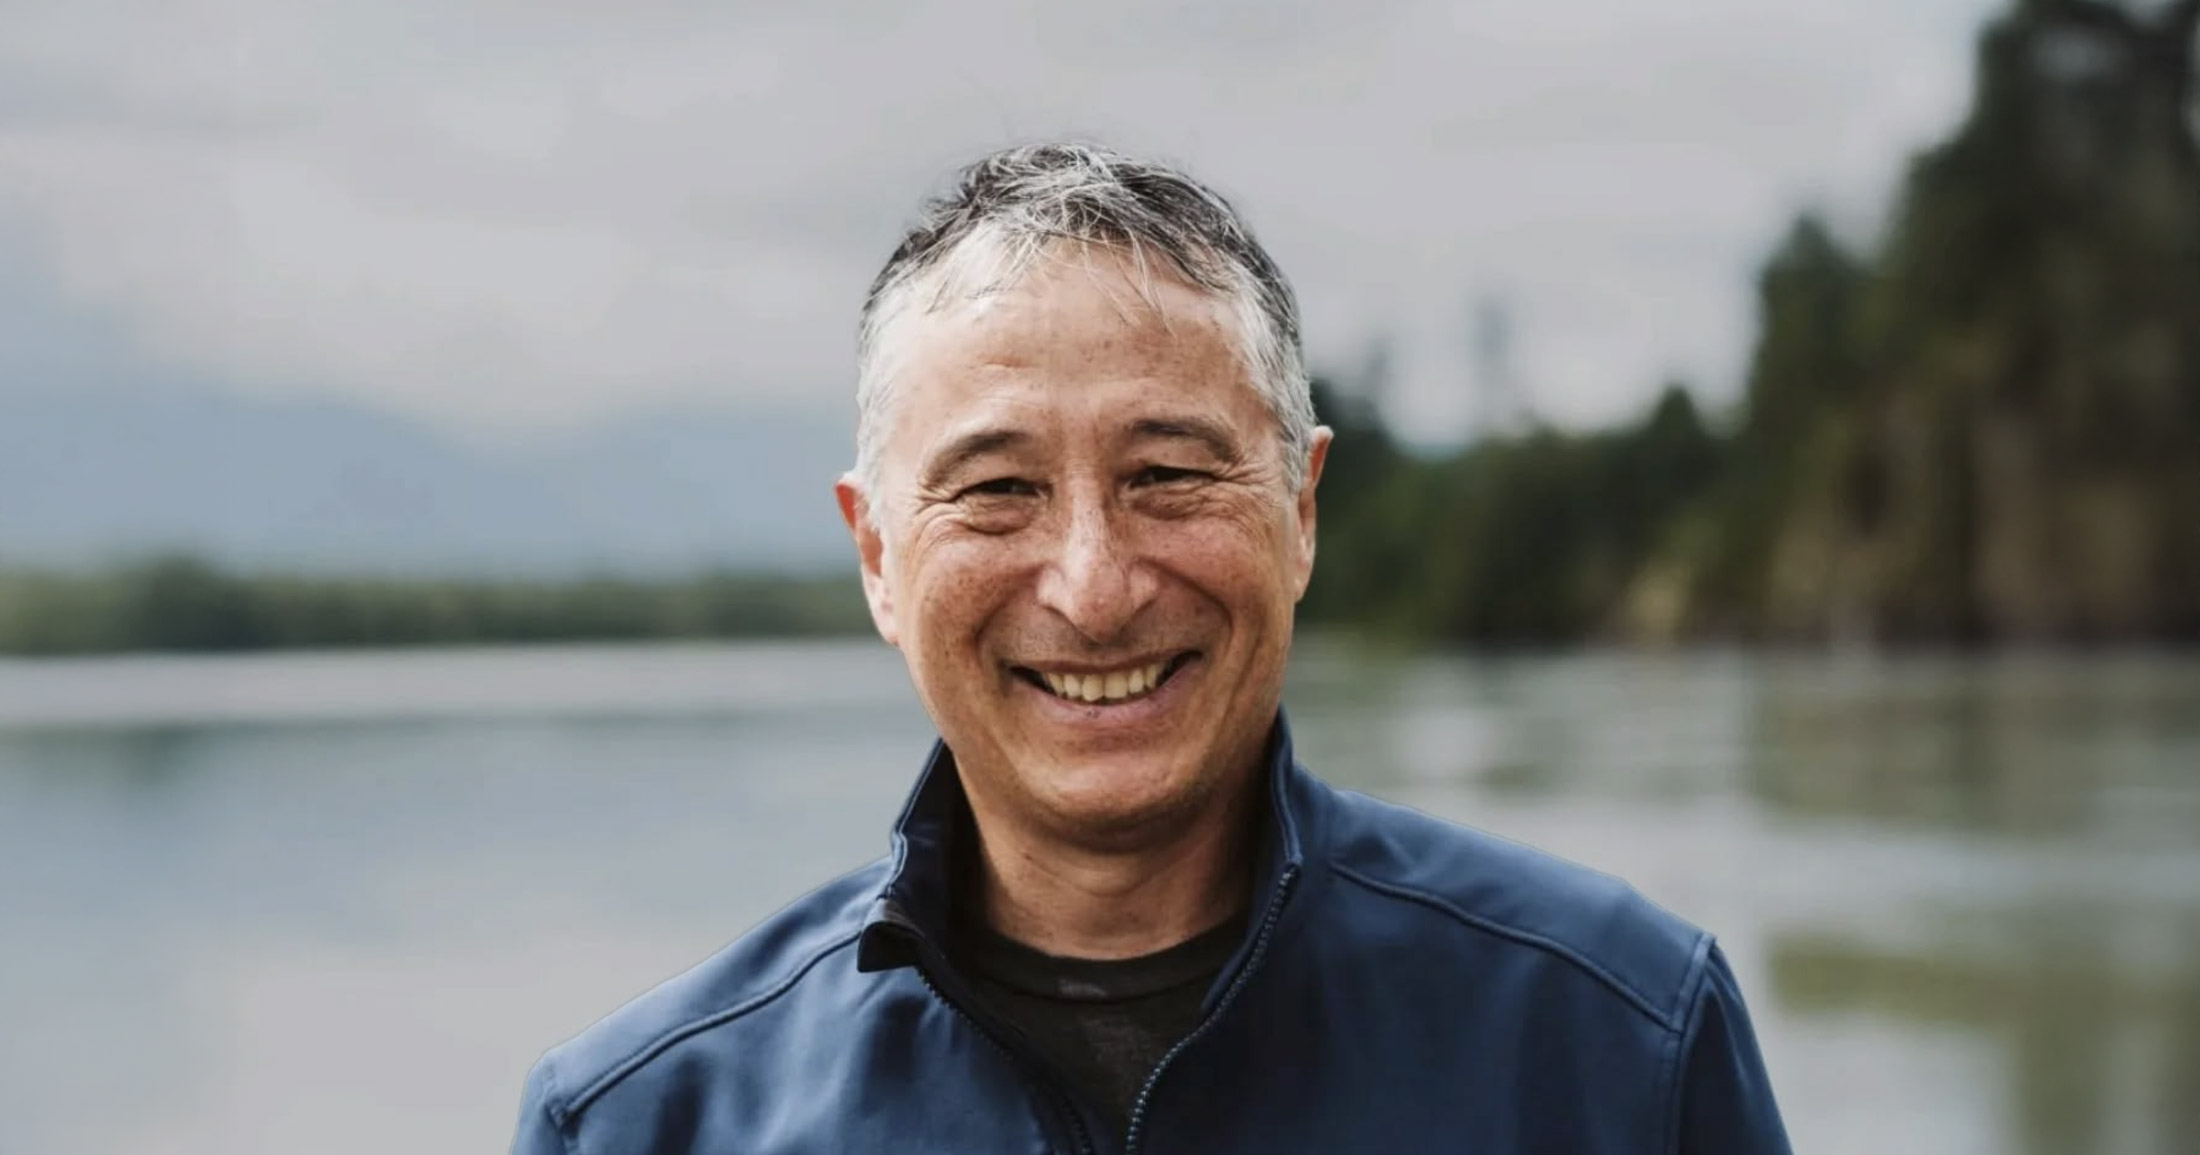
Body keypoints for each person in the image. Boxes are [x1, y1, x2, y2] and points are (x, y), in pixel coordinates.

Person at [509, 142, 1791, 1154]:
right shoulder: (645, 1122)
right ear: (878, 555)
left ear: (1298, 512)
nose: (1094, 587)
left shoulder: (1613, 1037)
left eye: (1168, 474)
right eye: (998, 489)